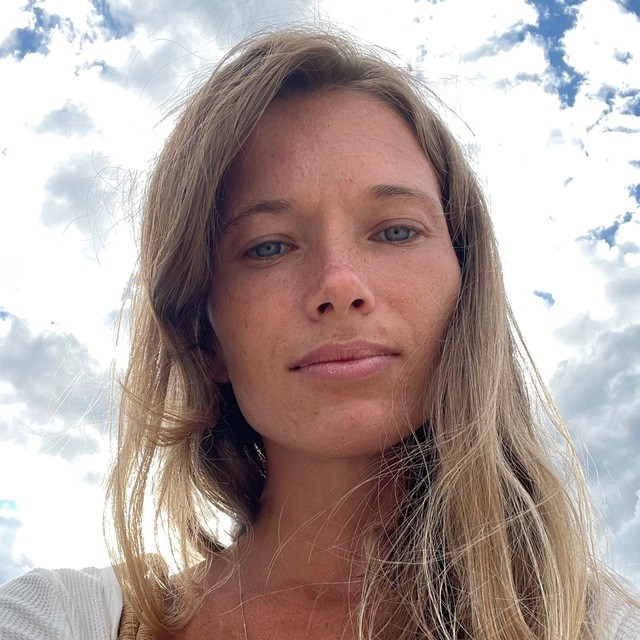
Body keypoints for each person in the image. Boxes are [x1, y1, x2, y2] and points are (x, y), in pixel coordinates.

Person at [1, 27, 639, 640]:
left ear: (466, 283)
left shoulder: (601, 624)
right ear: (203, 335)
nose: (339, 283)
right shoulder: (63, 621)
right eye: (268, 246)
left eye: (396, 230)